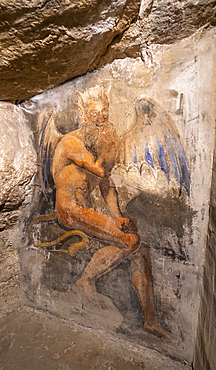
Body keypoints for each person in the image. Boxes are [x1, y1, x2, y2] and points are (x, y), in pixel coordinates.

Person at [52, 86, 171, 340]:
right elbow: (99, 170)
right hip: (70, 211)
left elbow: (106, 185)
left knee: (141, 250)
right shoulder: (71, 143)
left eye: (105, 112)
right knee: (130, 241)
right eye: (95, 114)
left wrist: (117, 215)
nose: (102, 118)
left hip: (87, 211)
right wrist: (111, 145)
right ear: (83, 114)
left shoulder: (100, 144)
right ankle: (84, 282)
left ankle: (150, 321)